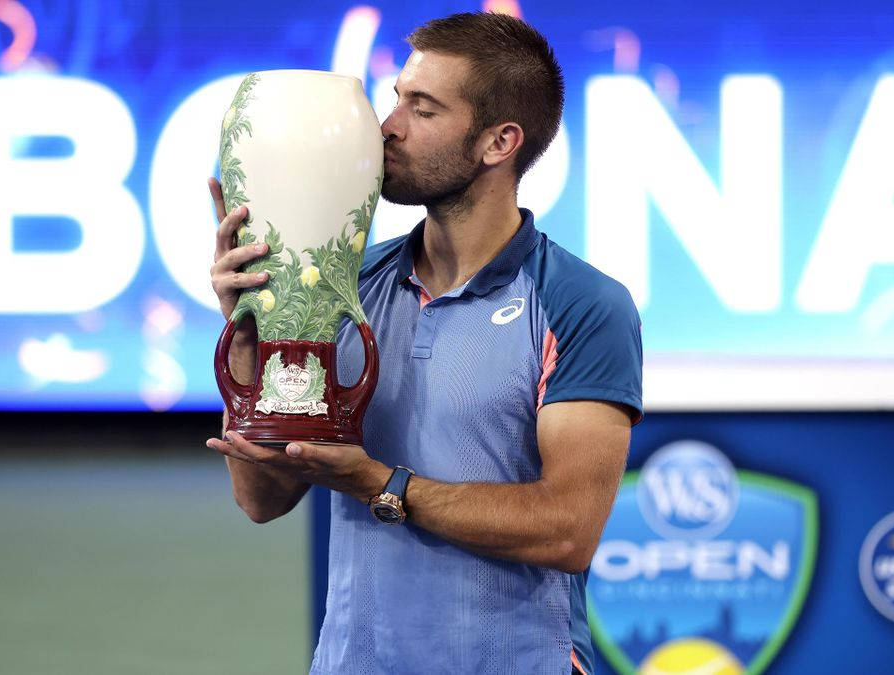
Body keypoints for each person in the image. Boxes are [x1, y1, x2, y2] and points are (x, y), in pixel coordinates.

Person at [206, 12, 642, 674]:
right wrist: (250, 331)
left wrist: (384, 485)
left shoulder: (581, 304)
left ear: (498, 142)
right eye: (394, 99)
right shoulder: (341, 285)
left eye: (423, 108)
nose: (388, 127)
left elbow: (569, 527)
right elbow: (262, 499)